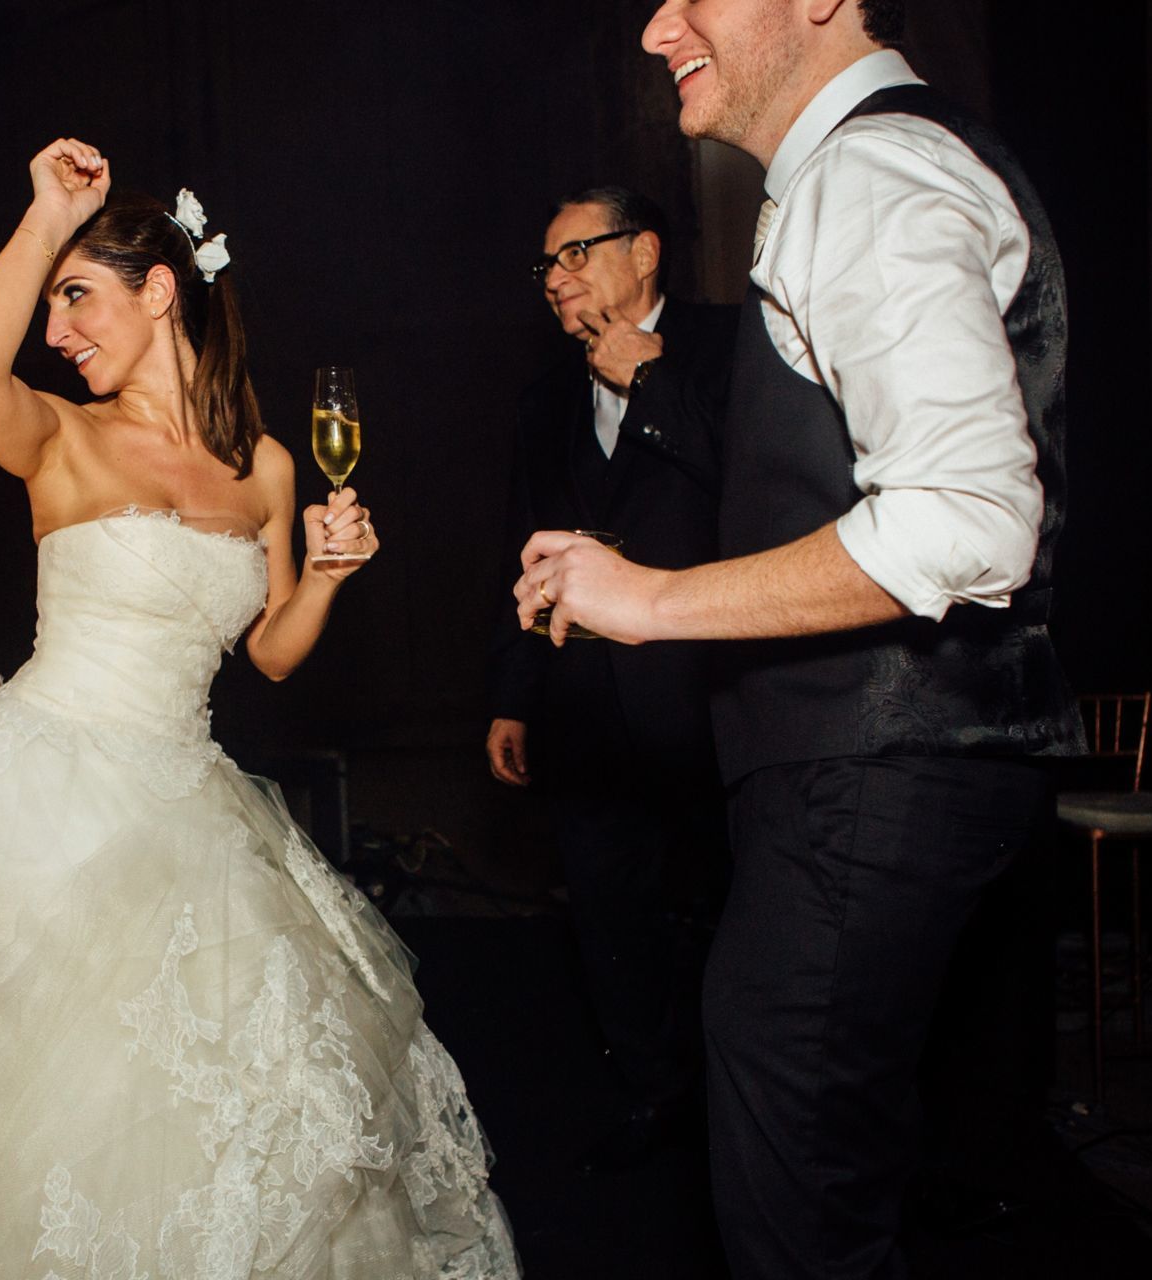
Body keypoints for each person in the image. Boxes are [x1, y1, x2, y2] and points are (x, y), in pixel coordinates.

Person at [0, 139, 518, 1280]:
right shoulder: (63, 435)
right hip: (49, 800)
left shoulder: (271, 468)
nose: (58, 331)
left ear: (161, 292)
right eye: (52, 307)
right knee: (67, 1116)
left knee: (240, 1121)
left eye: (79, 297)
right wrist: (48, 220)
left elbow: (276, 652)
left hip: (192, 802)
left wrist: (333, 578)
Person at [518, 2, 1086, 1275]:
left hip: (870, 772)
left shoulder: (872, 167)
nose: (660, 27)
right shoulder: (857, 169)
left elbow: (968, 516)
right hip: (880, 769)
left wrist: (652, 599)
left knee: (798, 1216)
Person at [486, 186, 734, 1170]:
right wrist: (511, 693)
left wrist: (658, 382)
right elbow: (519, 548)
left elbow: (769, 492)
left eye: (577, 252)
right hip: (581, 704)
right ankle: (651, 1093)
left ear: (647, 254)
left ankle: (736, 1106)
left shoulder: (730, 349)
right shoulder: (542, 400)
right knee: (609, 912)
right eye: (546, 264)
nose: (555, 279)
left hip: (710, 698)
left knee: (725, 907)